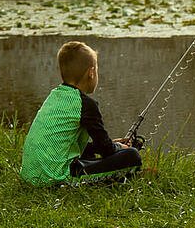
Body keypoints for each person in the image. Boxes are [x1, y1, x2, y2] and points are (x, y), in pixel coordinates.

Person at [21, 41, 142, 186]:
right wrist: (120, 148)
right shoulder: (86, 104)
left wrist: (112, 144)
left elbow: (74, 144)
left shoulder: (54, 96)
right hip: (55, 178)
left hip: (31, 175)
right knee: (132, 156)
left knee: (88, 153)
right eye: (96, 70)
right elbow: (106, 150)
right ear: (91, 73)